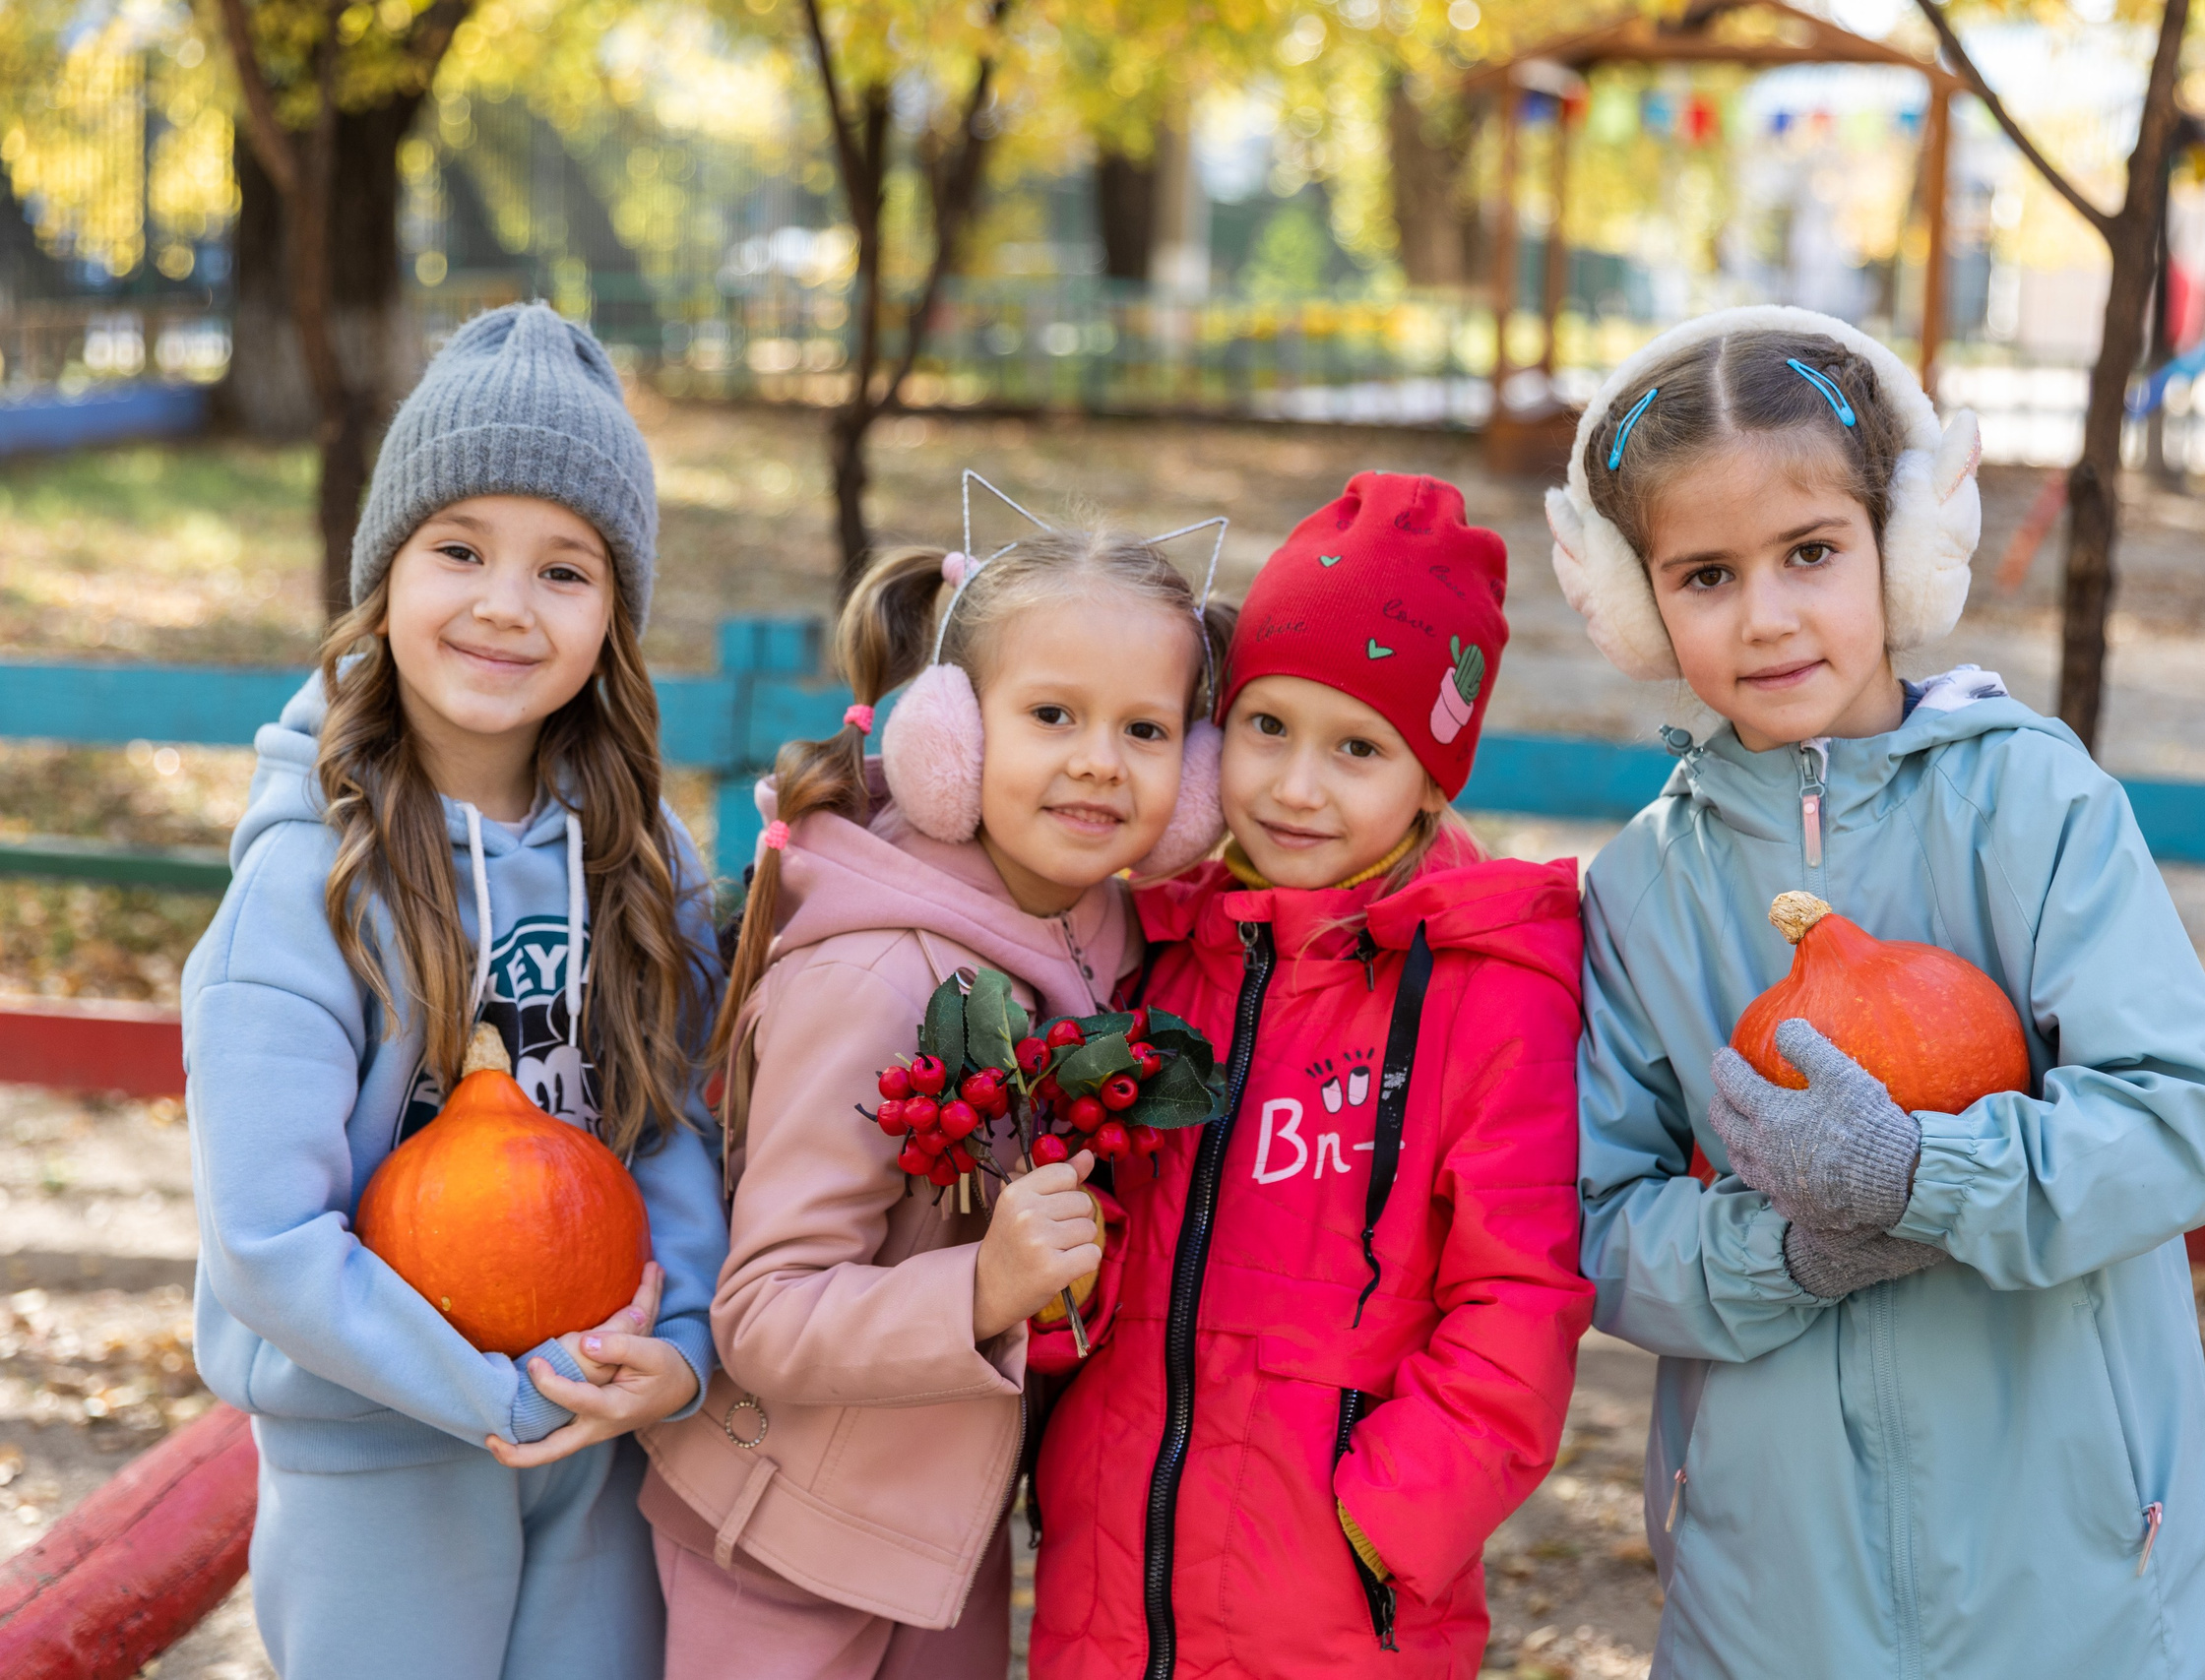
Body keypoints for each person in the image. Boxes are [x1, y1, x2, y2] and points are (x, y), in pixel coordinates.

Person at [1552, 305, 2205, 1677]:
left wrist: (1919, 1171)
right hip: (1773, 1601)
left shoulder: (2036, 800)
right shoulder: (1642, 891)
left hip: (2085, 1586)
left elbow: (2178, 1121)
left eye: (1811, 552)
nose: (1767, 615)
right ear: (1637, 604)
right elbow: (1600, 1222)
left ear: (1904, 544)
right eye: (1704, 574)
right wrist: (1790, 1255)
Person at [181, 302, 730, 1679]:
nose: (504, 602)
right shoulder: (305, 882)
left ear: (613, 613)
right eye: (461, 548)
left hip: (598, 1429)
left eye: (565, 568)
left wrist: (678, 1342)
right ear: (386, 572)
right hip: (377, 1439)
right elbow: (265, 1228)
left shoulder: (640, 862)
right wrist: (486, 1389)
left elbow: (674, 1122)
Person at [637, 517, 1233, 1680]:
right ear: (948, 737)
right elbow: (761, 1313)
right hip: (784, 1547)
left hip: (942, 1538)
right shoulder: (874, 979)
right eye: (1052, 715)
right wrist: (984, 1288)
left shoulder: (1104, 938)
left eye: (1147, 729)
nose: (1101, 760)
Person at [1028, 471, 1594, 1679]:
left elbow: (1521, 1297)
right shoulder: (1152, 952)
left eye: (1357, 748)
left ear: (1431, 778)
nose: (1294, 786)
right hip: (1110, 1582)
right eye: (1267, 727)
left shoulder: (1486, 992)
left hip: (1336, 1614)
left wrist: (1383, 1522)